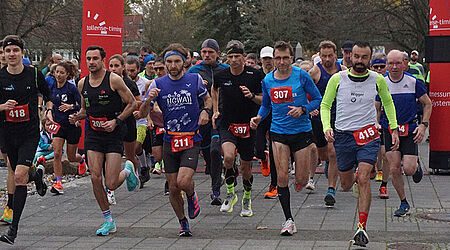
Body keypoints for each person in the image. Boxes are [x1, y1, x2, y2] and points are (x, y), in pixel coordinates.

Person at [321, 41, 399, 247]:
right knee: (346, 185)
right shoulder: (337, 79)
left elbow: (388, 102)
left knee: (364, 177)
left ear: (370, 59)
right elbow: (325, 105)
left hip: (367, 135)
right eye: (356, 57)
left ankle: (361, 228)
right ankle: (356, 180)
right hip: (344, 136)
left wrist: (394, 128)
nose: (359, 61)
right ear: (349, 57)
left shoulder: (377, 80)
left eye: (364, 58)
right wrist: (326, 127)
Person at [250, 40, 322, 235]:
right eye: (278, 58)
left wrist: (303, 109)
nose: (281, 62)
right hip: (278, 132)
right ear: (273, 59)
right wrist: (258, 117)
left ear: (291, 58)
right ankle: (288, 220)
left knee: (299, 180)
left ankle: (301, 176)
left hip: (301, 133)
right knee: (282, 176)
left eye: (285, 58)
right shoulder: (267, 81)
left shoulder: (302, 76)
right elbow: (266, 105)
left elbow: (317, 99)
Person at [139, 43, 211, 236]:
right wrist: (148, 100)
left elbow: (208, 99)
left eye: (177, 61)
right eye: (169, 62)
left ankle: (190, 194)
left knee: (183, 181)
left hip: (191, 138)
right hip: (170, 140)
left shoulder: (194, 80)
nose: (172, 65)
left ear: (184, 62)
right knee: (172, 187)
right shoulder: (157, 84)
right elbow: (141, 112)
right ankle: (183, 222)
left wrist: (206, 111)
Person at [69, 45, 139, 236]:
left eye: (95, 59)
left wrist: (116, 121)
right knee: (94, 177)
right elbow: (85, 110)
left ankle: (128, 170)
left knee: (111, 183)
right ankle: (108, 220)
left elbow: (132, 103)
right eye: (88, 59)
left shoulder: (114, 80)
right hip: (93, 134)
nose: (91, 62)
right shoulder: (82, 83)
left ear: (102, 60)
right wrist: (77, 117)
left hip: (113, 133)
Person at [0, 35, 51, 245]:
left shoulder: (35, 74)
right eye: (8, 51)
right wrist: (2, 107)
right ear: (4, 54)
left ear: (22, 53)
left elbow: (49, 97)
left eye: (15, 50)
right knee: (17, 170)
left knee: (19, 176)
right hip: (7, 134)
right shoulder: (0, 76)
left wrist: (48, 112)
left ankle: (13, 230)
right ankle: (36, 175)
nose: (11, 54)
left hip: (29, 133)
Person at [212, 40, 264, 217]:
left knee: (246, 167)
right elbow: (214, 90)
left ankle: (247, 197)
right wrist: (215, 110)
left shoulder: (255, 75)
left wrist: (251, 96)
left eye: (237, 57)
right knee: (228, 157)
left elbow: (263, 99)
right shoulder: (221, 74)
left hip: (248, 125)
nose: (234, 60)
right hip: (228, 123)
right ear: (227, 57)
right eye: (231, 56)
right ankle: (230, 193)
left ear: (243, 57)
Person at [379, 50, 431, 217]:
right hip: (389, 129)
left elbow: (428, 104)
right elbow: (376, 107)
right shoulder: (381, 82)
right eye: (391, 63)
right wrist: (376, 124)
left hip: (409, 129)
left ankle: (416, 168)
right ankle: (403, 202)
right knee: (394, 168)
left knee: (408, 169)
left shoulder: (413, 82)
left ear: (404, 63)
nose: (394, 67)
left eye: (398, 63)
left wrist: (423, 126)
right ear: (387, 65)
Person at [188, 38, 229, 205]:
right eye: (204, 52)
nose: (206, 55)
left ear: (218, 54)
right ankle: (217, 174)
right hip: (202, 117)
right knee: (208, 154)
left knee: (214, 150)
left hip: (221, 117)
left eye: (210, 52)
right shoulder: (194, 71)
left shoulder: (225, 70)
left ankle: (216, 191)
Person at [308, 40, 347, 207]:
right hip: (320, 117)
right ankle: (328, 166)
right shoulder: (315, 72)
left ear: (335, 55)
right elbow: (304, 91)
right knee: (323, 155)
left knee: (332, 153)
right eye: (324, 56)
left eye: (330, 56)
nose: (327, 59)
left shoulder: (344, 71)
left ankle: (331, 190)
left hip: (338, 117)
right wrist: (309, 108)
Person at [105, 54, 141, 204]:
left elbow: (138, 101)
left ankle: (132, 172)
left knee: (130, 156)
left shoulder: (128, 83)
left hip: (128, 123)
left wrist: (131, 107)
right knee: (111, 157)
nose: (113, 69)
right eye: (111, 66)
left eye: (116, 66)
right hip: (112, 124)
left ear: (123, 67)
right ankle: (110, 190)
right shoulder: (106, 82)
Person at [49, 61, 85, 194]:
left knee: (70, 157)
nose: (58, 75)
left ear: (67, 75)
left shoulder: (72, 88)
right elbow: (50, 103)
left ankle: (81, 160)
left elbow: (82, 106)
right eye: (56, 72)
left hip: (72, 125)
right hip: (59, 125)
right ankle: (58, 183)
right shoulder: (52, 87)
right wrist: (48, 114)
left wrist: (71, 107)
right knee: (57, 153)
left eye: (61, 73)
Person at [126, 56, 151, 187]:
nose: (130, 73)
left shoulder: (145, 82)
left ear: (138, 69)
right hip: (128, 120)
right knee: (131, 150)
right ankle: (141, 168)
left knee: (136, 146)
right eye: (128, 70)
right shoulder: (122, 83)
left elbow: (147, 101)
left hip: (141, 120)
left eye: (133, 70)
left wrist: (139, 109)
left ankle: (143, 166)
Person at [256, 46, 278, 199]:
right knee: (257, 148)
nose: (268, 61)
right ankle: (262, 158)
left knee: (275, 152)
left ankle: (274, 185)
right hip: (260, 114)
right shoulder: (256, 75)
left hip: (276, 116)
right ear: (261, 60)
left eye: (270, 58)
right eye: (265, 59)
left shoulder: (279, 75)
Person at [370, 53, 390, 199]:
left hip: (390, 122)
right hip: (370, 120)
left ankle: (384, 184)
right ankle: (375, 169)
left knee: (385, 153)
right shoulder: (368, 79)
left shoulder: (389, 80)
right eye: (375, 67)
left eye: (382, 67)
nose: (378, 69)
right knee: (377, 150)